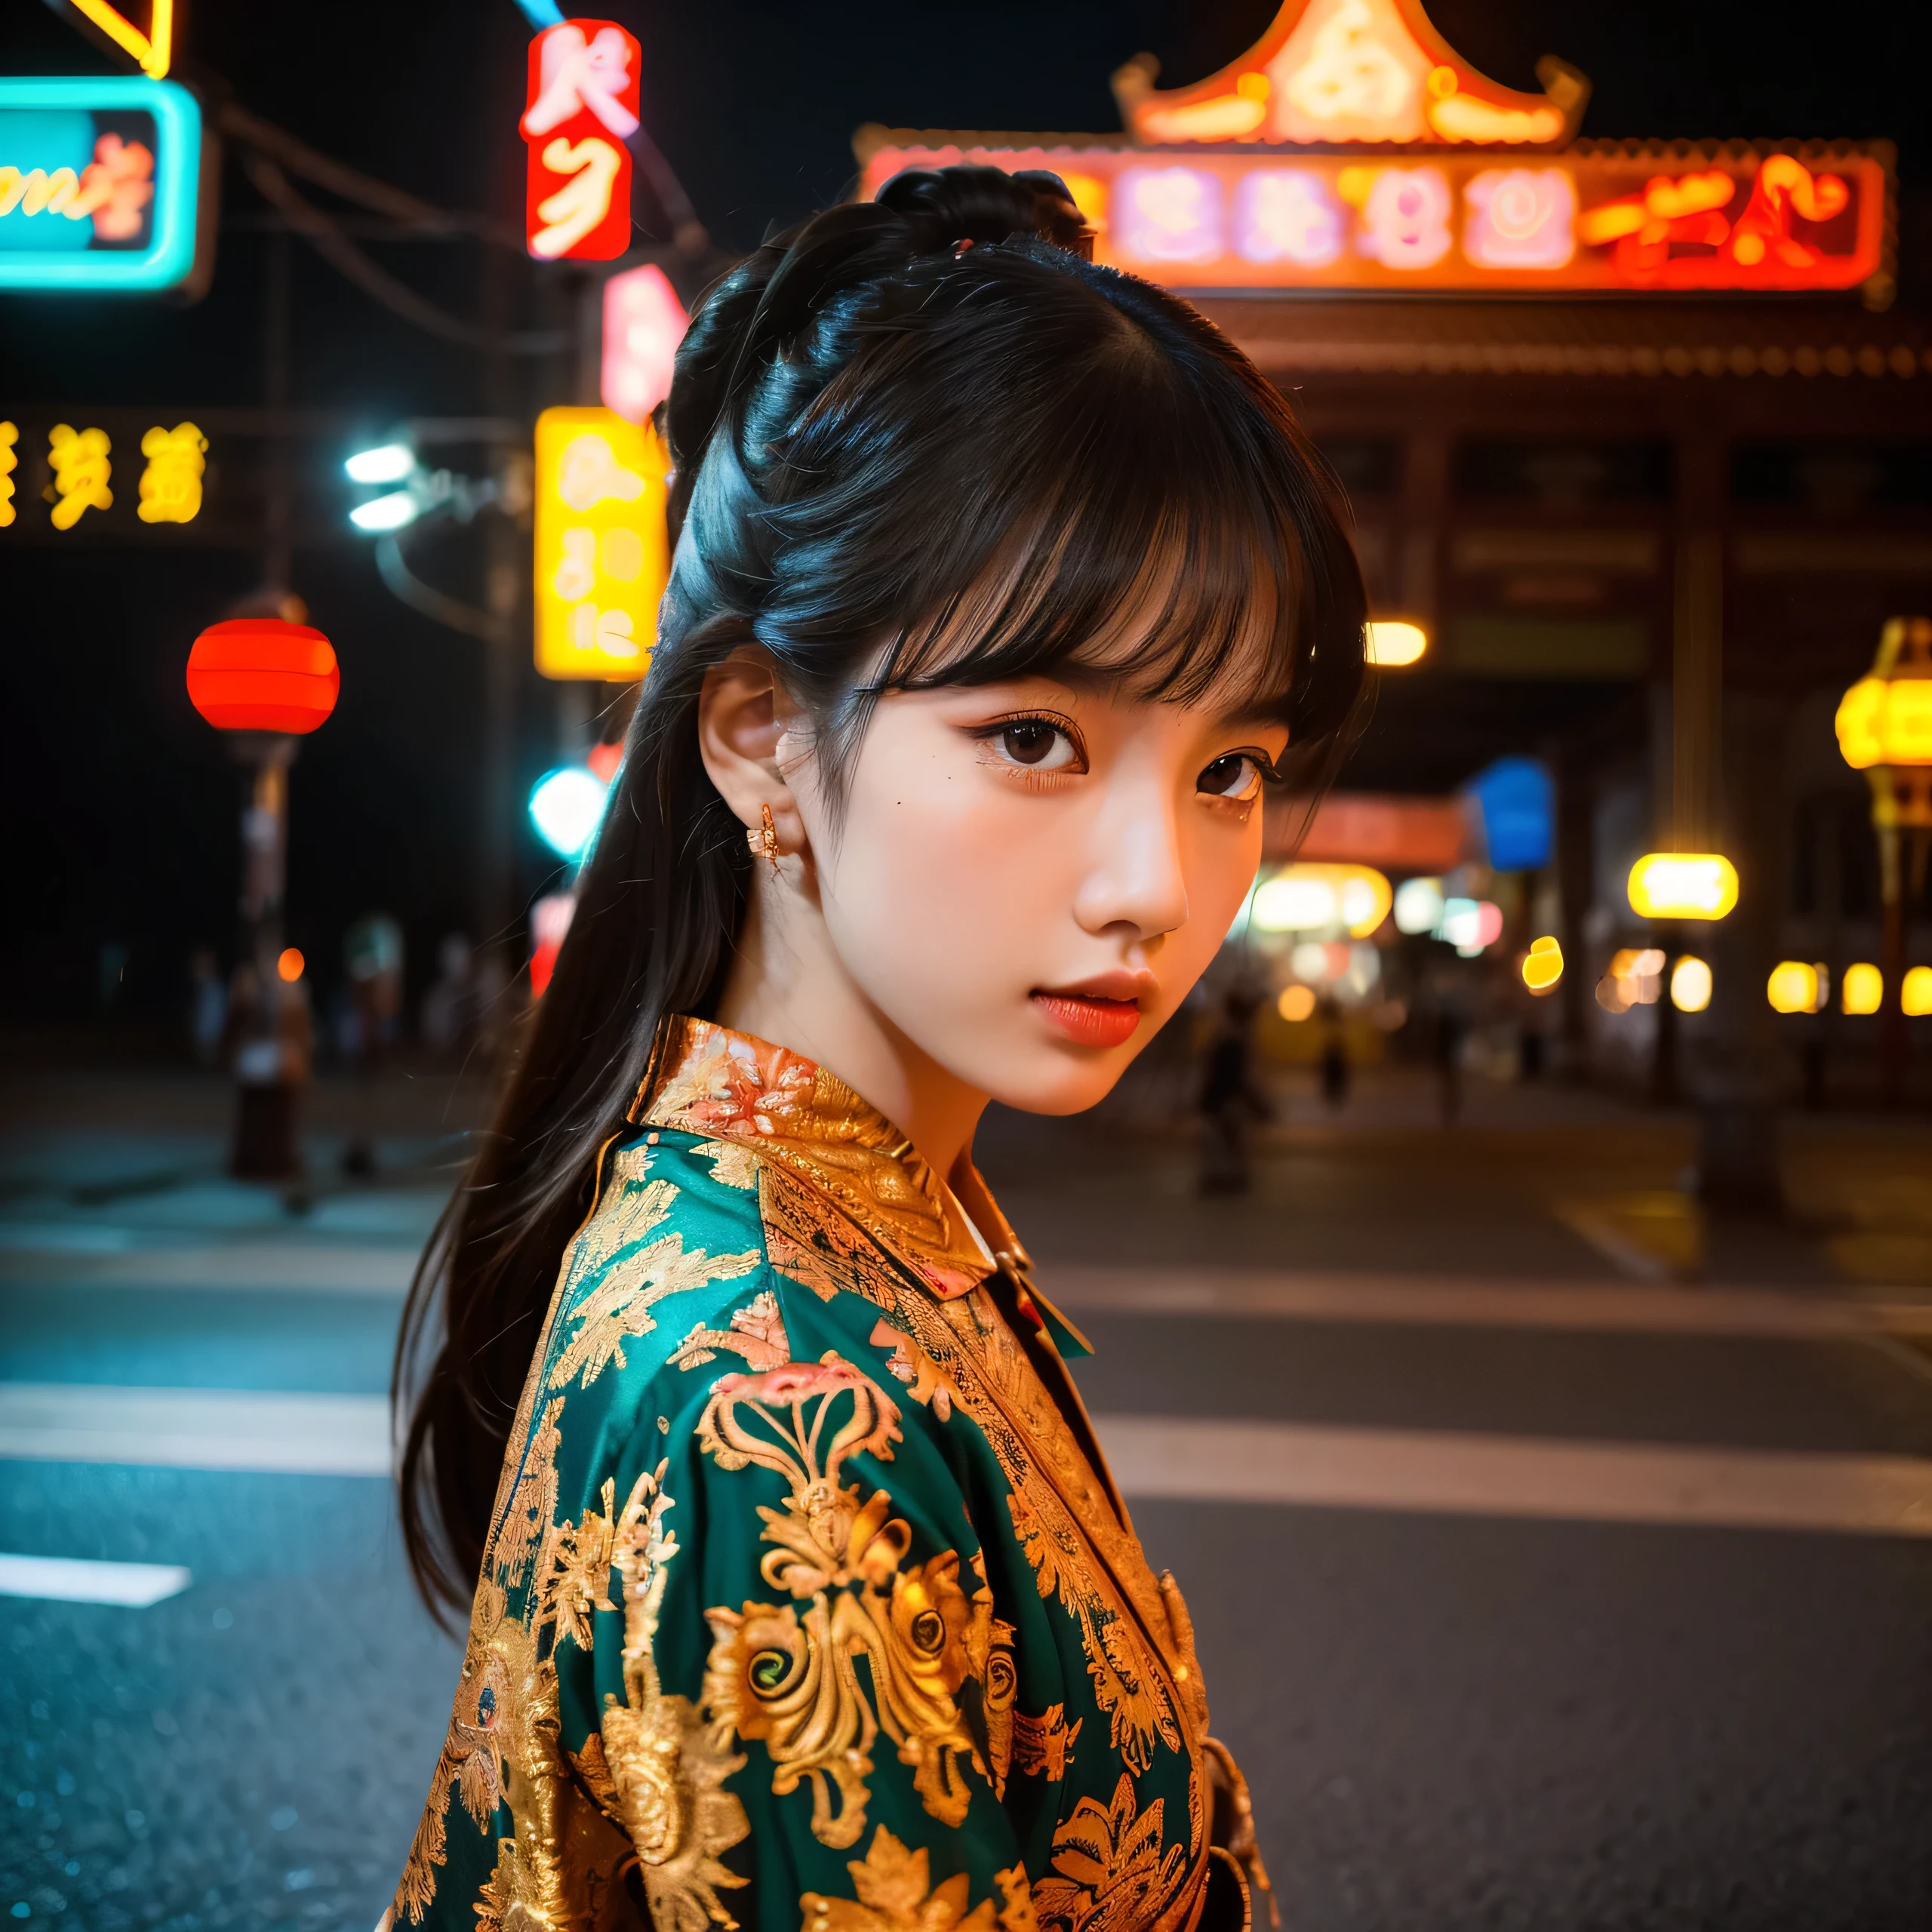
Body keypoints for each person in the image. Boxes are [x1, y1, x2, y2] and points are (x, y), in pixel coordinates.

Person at [387, 166, 1365, 1932]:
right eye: (1033, 735)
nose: (1156, 884)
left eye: (1227, 767)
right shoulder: (768, 1381)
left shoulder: (858, 1219)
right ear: (762, 736)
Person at [1197, 985, 1271, 1195]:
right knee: (1229, 1143)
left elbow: (1220, 1072)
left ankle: (1223, 1178)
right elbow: (1243, 1075)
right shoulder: (1237, 1038)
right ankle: (1229, 1178)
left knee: (1221, 1143)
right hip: (1228, 1100)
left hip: (1220, 1099)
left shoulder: (1224, 1037)